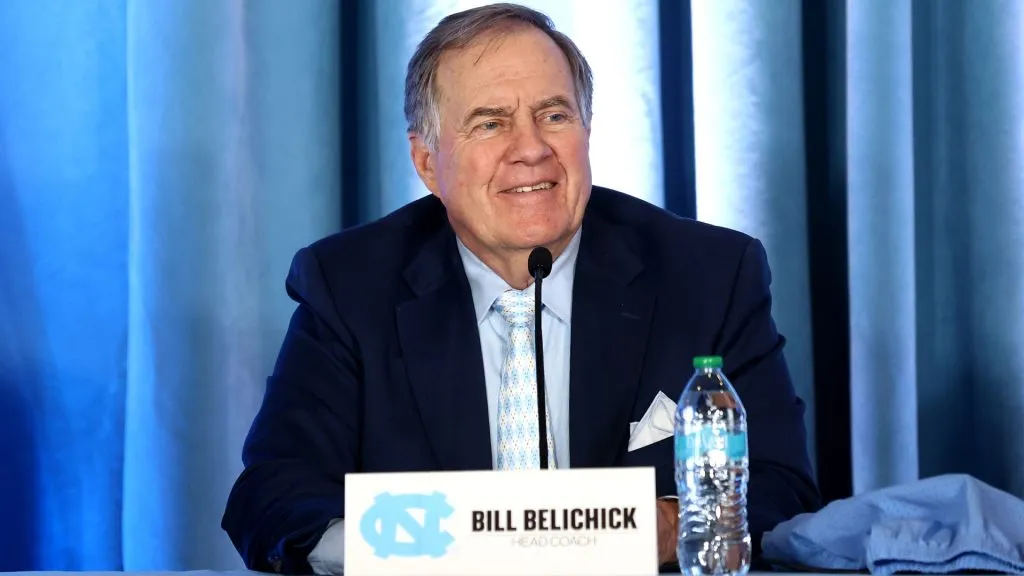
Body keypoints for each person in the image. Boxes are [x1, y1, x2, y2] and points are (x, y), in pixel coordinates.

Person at [221, 3, 821, 574]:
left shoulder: (710, 275)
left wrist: (666, 527)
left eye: (554, 115)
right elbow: (273, 493)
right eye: (490, 123)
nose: (531, 150)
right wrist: (405, 552)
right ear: (428, 162)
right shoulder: (351, 286)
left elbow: (779, 487)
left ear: (586, 131)